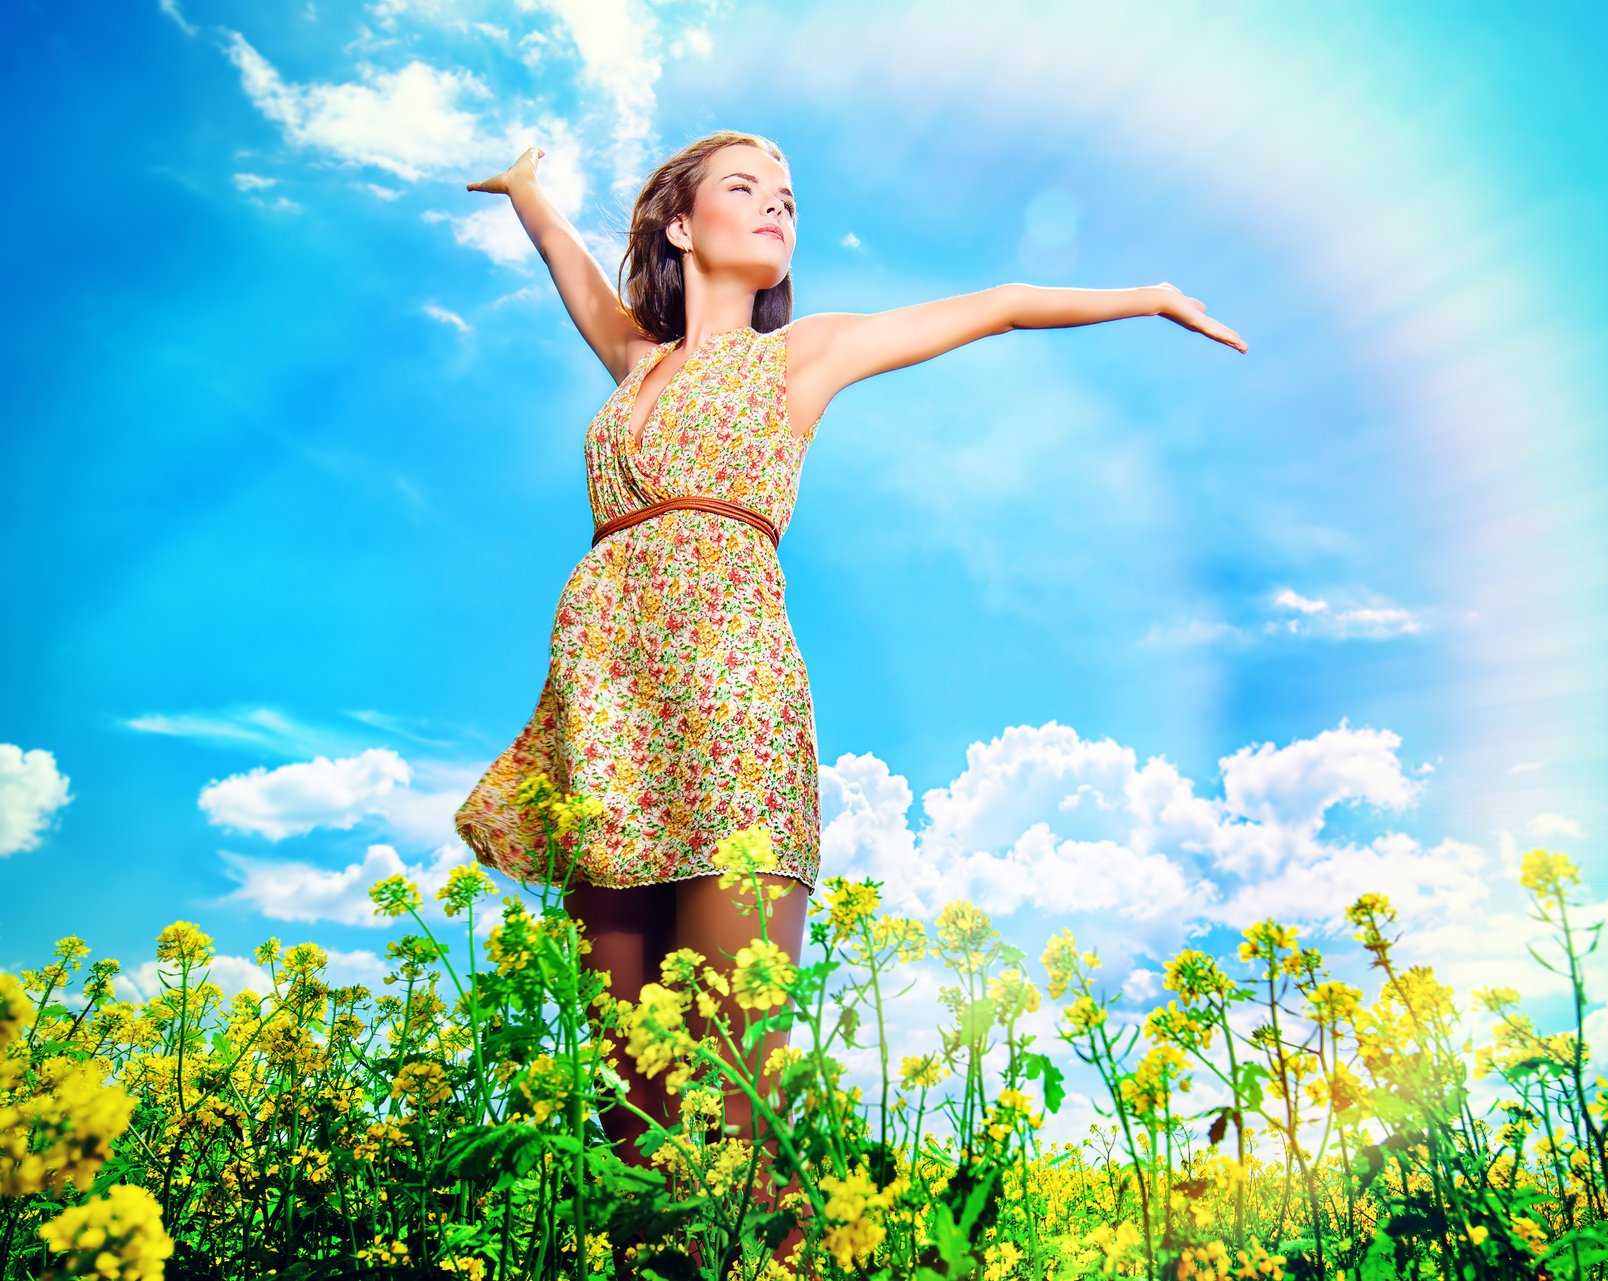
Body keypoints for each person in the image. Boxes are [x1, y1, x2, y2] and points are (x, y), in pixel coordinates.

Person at [456, 129, 1245, 1273]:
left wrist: (1152, 296)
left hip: (735, 712)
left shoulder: (803, 357)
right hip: (606, 705)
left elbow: (1005, 303)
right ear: (680, 225)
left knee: (734, 1070)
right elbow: (572, 266)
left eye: (789, 196)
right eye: (746, 188)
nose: (778, 206)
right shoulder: (634, 363)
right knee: (625, 1088)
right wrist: (529, 190)